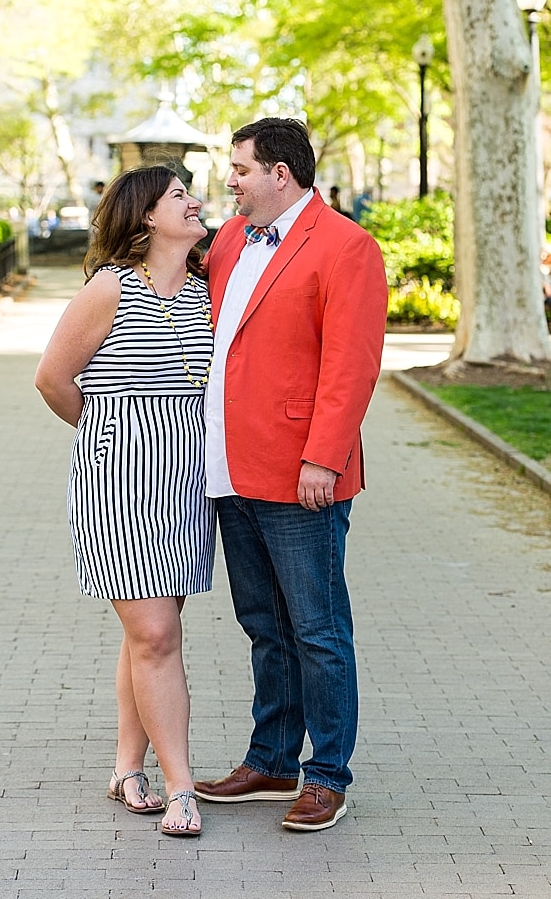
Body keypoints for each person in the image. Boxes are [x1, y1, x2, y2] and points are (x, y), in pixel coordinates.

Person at [194, 117, 386, 832]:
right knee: (263, 625)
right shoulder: (230, 240)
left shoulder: (347, 246)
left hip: (301, 471)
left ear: (281, 173)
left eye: (240, 168)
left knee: (317, 628)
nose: (230, 181)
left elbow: (352, 361)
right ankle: (272, 758)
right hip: (228, 466)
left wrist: (324, 456)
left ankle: (327, 774)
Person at [34, 164, 215, 838]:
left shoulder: (206, 291)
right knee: (159, 634)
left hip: (188, 483)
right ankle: (182, 788)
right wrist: (109, 433)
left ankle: (125, 765)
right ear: (144, 215)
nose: (196, 202)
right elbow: (52, 378)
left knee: (149, 631)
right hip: (119, 481)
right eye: (179, 196)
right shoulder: (109, 288)